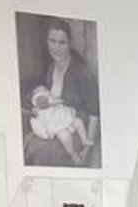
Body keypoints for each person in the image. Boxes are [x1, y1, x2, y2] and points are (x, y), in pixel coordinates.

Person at [20, 17, 99, 168]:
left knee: (41, 149)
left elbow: (94, 114)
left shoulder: (81, 72)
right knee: (30, 140)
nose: (56, 47)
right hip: (58, 121)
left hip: (78, 126)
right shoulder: (51, 68)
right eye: (52, 41)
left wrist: (87, 150)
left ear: (70, 44)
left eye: (62, 42)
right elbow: (48, 100)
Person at [27, 84, 92, 165]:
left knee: (78, 121)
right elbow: (40, 109)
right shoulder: (39, 109)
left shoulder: (54, 102)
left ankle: (84, 139)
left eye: (45, 90)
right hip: (57, 128)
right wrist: (45, 134)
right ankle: (73, 154)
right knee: (65, 135)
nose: (44, 92)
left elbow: (63, 108)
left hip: (66, 122)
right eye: (40, 91)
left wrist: (70, 112)